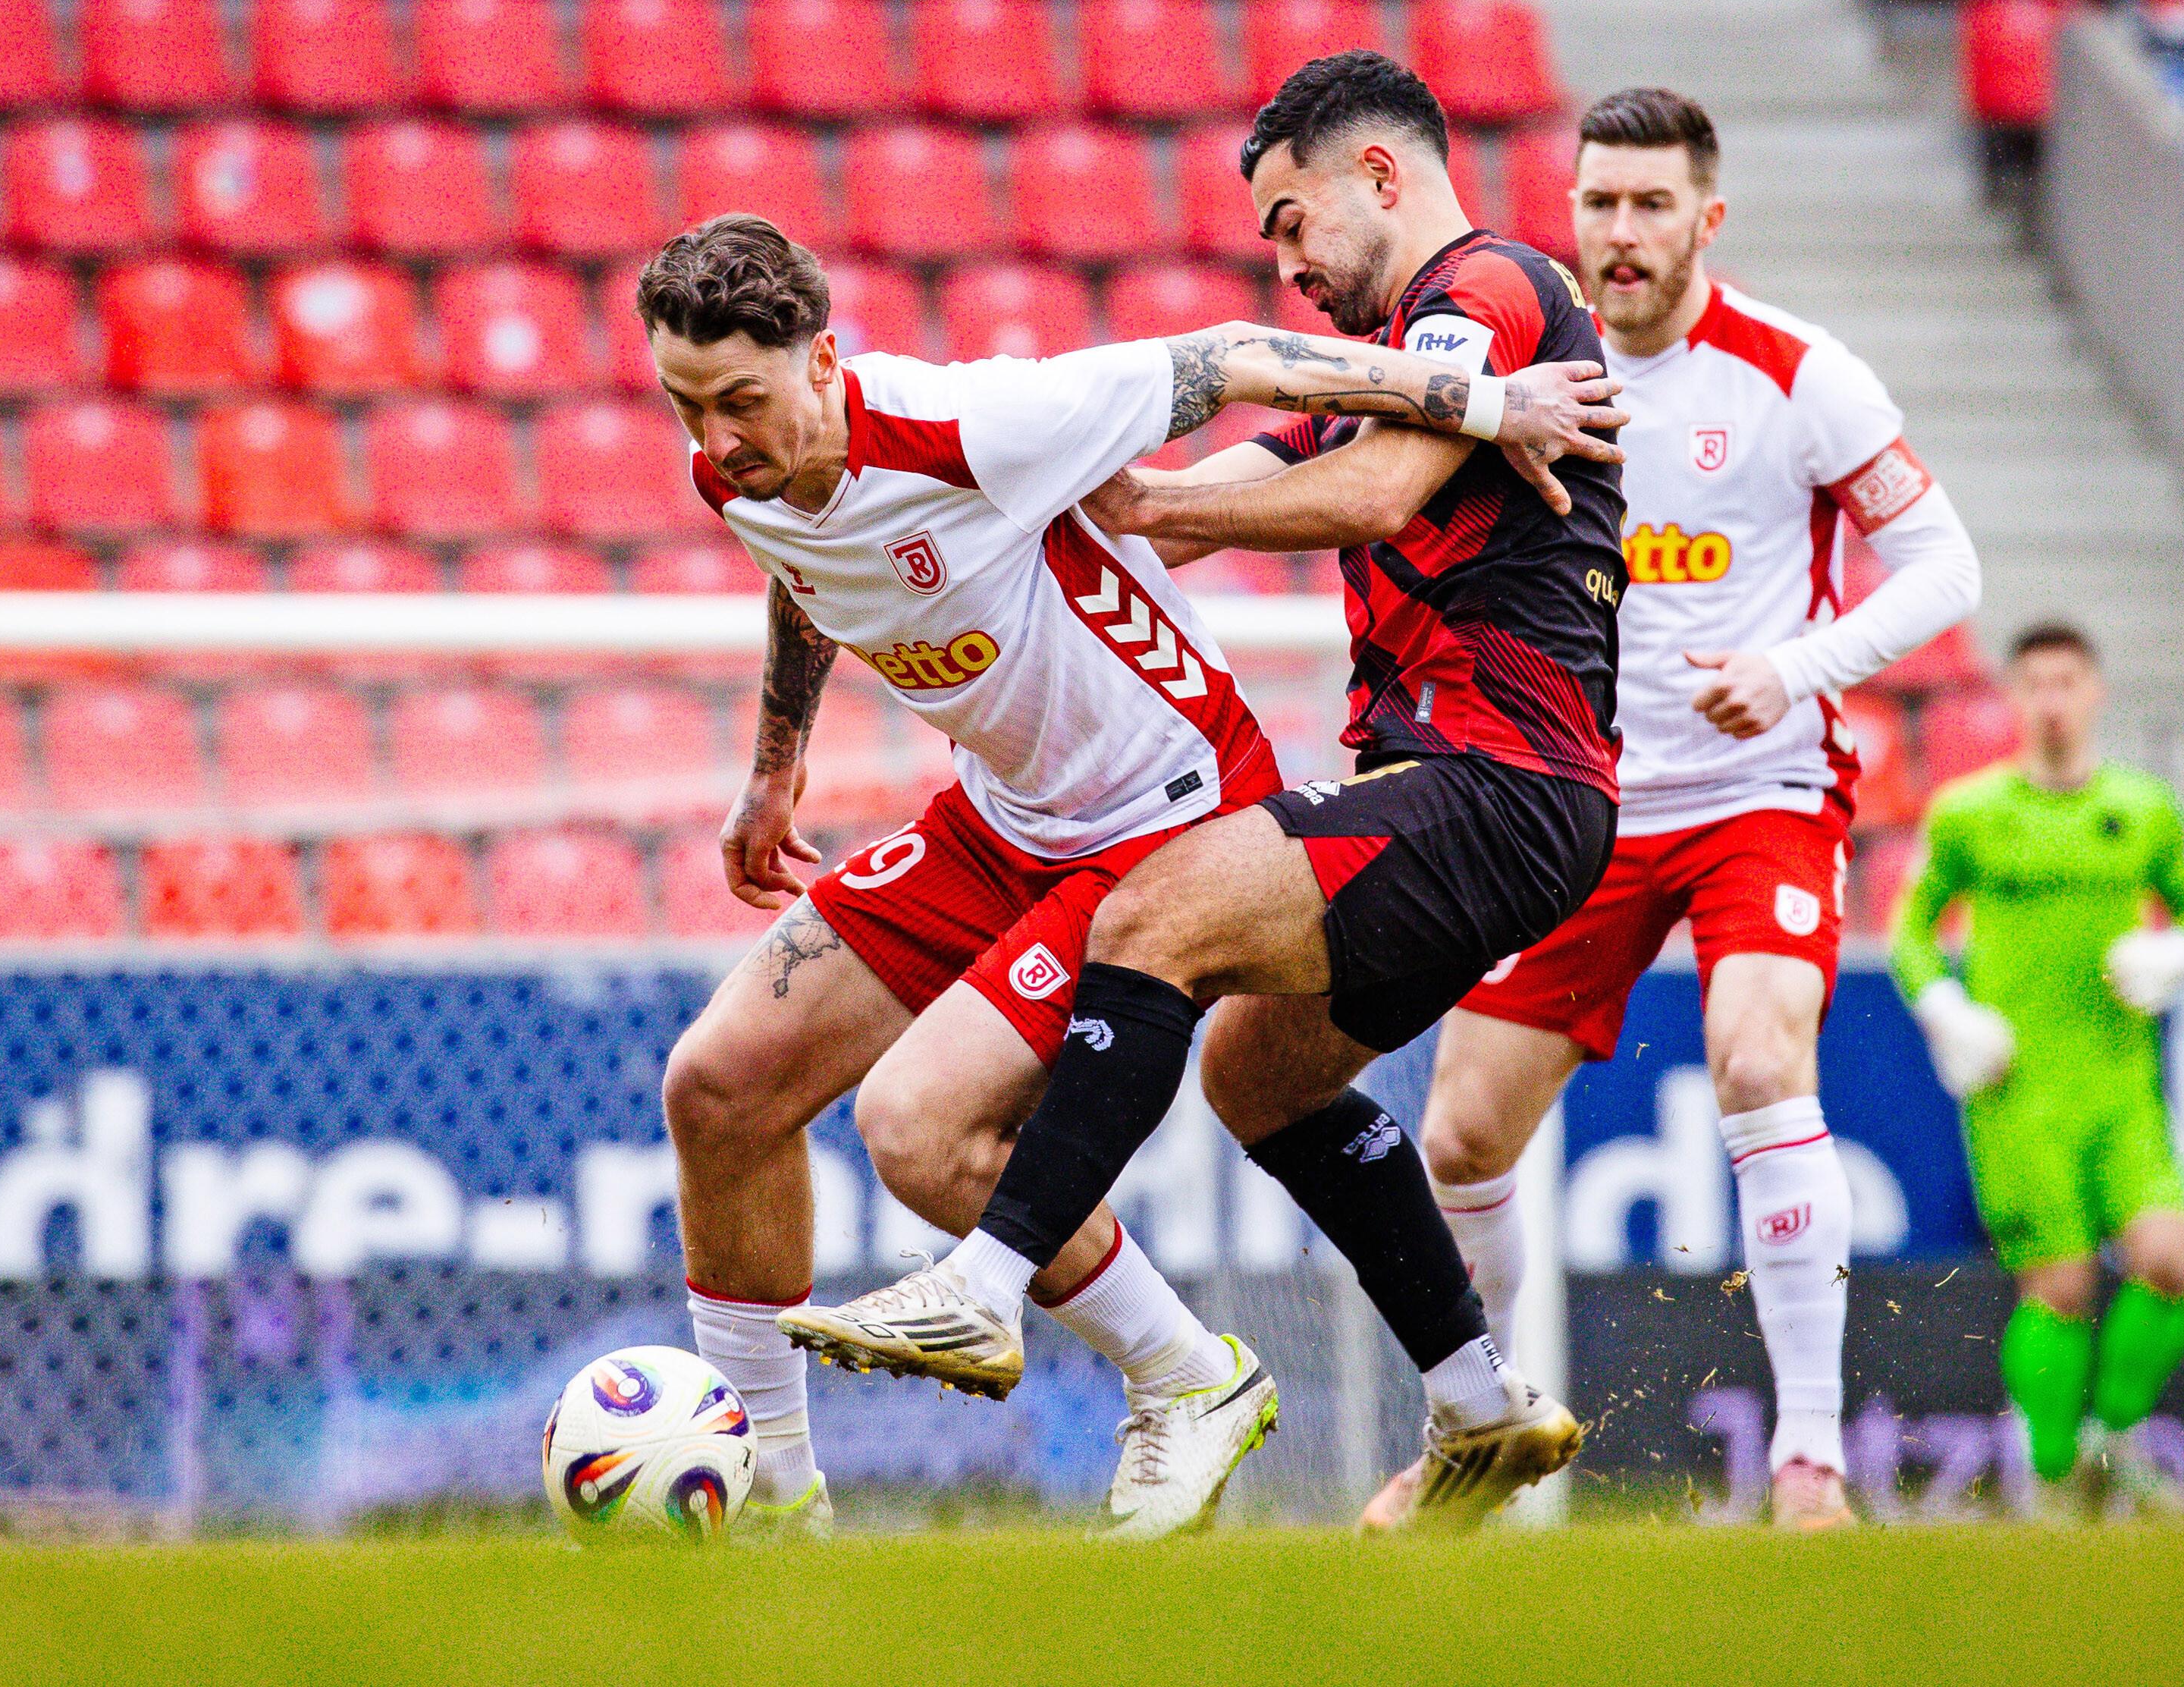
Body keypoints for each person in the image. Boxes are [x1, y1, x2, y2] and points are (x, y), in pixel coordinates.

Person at [642, 213, 1624, 1538]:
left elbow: (1237, 355)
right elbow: (808, 569)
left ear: (822, 361)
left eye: (739, 401)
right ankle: (771, 1497)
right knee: (716, 1088)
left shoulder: (976, 422)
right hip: (1001, 817)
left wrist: (1489, 403)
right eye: (685, 405)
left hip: (1160, 810)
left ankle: (1187, 1376)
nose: (715, 440)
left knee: (921, 1133)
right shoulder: (739, 473)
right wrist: (776, 767)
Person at [1353, 87, 1986, 1531]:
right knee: (1459, 1139)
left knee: (1757, 1060)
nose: (1620, 232)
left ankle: (1808, 1460)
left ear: (1707, 217)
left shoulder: (1795, 374)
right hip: (1575, 800)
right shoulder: (1535, 373)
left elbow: (1943, 565)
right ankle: (1474, 1434)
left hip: (1757, 791)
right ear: (1568, 213)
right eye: (1598, 202)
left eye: (1650, 204)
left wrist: (1792, 669)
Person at [1893, 620, 2184, 1510]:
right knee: (2062, 1284)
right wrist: (1946, 1009)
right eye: (2033, 683)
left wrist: (2175, 953)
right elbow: (1911, 929)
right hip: (2019, 1091)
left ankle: (2113, 1436)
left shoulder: (2143, 808)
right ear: (2010, 696)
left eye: (2065, 681)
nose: (2050, 700)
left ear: (2093, 692)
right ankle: (2050, 1476)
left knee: (2169, 1260)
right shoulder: (1967, 812)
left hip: (2121, 1085)